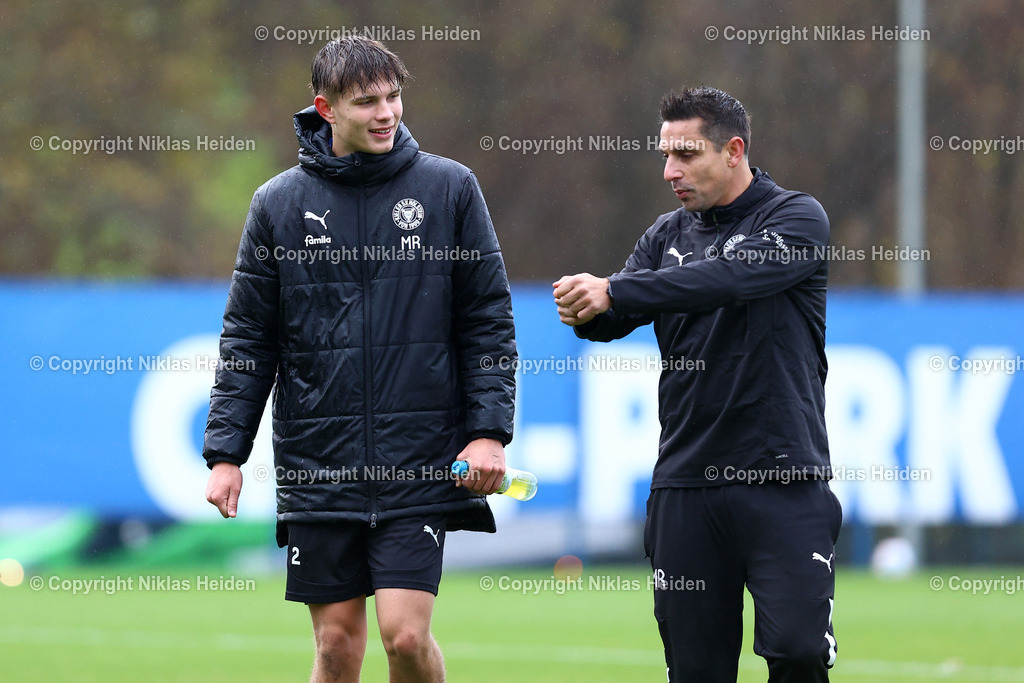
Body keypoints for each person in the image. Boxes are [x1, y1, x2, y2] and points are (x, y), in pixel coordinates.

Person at [203, 36, 516, 683]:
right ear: (326, 108)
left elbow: (486, 319)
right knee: (337, 648)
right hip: (320, 465)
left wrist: (488, 433)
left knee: (405, 636)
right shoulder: (277, 206)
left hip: (419, 457)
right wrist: (226, 452)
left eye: (394, 96)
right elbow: (248, 338)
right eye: (366, 100)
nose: (386, 112)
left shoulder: (450, 188)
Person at [553, 86, 841, 682]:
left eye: (686, 155)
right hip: (686, 486)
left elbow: (730, 280)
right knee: (696, 671)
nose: (669, 171)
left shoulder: (795, 216)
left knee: (798, 651)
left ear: (734, 150)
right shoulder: (665, 236)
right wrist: (585, 305)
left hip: (782, 480)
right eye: (665, 155)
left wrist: (619, 289)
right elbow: (610, 320)